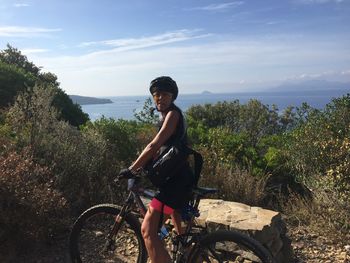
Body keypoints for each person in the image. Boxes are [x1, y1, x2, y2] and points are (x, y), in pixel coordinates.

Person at [119, 76, 194, 263]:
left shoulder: (172, 115)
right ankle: (189, 251)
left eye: (164, 94)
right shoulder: (167, 115)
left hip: (175, 184)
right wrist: (143, 165)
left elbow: (154, 145)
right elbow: (161, 150)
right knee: (175, 218)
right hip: (178, 179)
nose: (159, 98)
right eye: (156, 94)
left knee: (147, 231)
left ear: (173, 97)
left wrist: (131, 168)